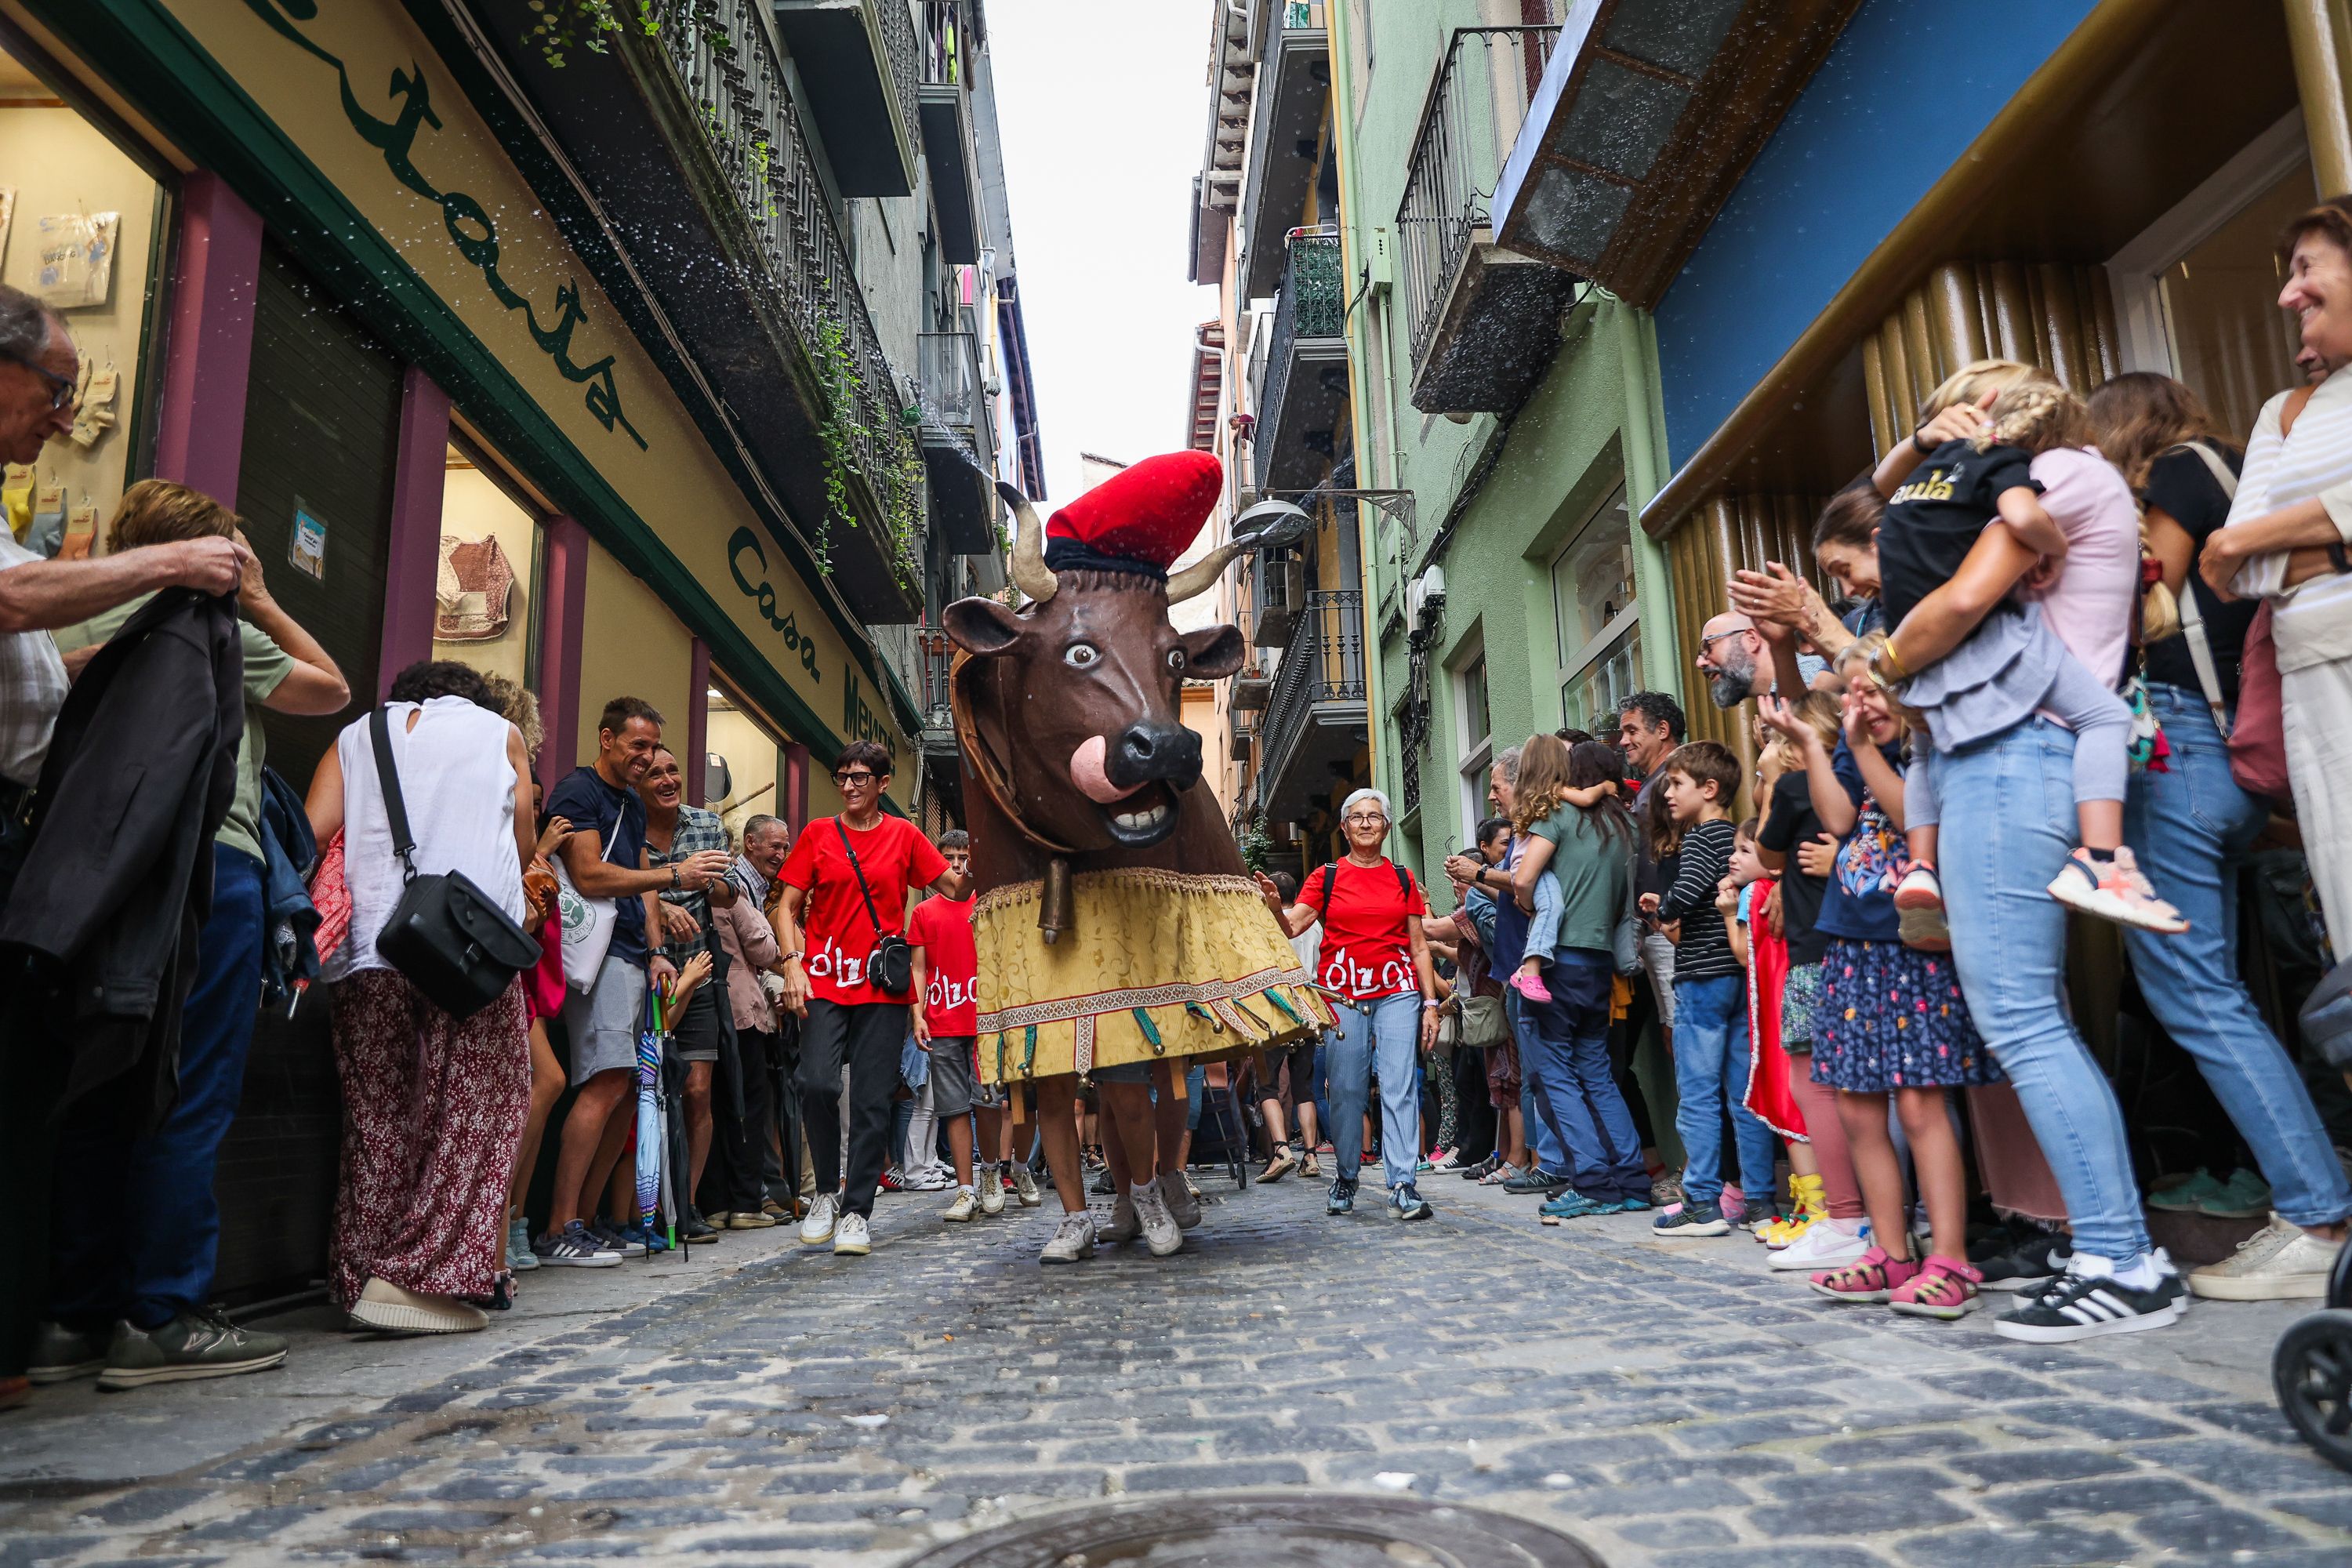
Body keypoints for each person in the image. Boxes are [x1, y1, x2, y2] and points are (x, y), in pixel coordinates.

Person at [25, 481, 346, 1392]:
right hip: (215, 866)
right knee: (190, 1089)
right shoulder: (212, 623)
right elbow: (332, 686)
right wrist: (259, 600)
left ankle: (72, 1314)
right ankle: (163, 1315)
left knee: (99, 1083)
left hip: (97, 870)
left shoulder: (73, 621)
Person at [2087, 369, 2352, 1299]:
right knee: (2235, 990)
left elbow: (2133, 586)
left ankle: (2317, 1215)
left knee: (2197, 993)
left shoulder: (2183, 471)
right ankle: (2314, 1196)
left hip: (2178, 753)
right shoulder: (2228, 467)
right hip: (2222, 760)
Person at [1762, 644, 1996, 1319]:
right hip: (1849, 942)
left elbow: (1904, 813)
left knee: (1920, 1103)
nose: (1860, 707)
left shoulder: (1924, 747)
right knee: (1859, 1106)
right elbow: (1839, 818)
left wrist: (1861, 747)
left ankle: (1949, 1257)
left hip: (1909, 942)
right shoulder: (1850, 748)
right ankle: (1890, 1251)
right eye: (1853, 697)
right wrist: (1812, 740)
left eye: (1871, 694)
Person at [303, 661, 534, 1334]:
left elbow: (316, 830)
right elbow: (521, 845)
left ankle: (361, 1279)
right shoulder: (500, 734)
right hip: (463, 950)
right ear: (474, 699)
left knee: (378, 1117)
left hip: (370, 948)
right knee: (477, 1110)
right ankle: (421, 1280)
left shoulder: (358, 735)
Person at [539, 699, 731, 1264]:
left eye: (654, 748)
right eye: (638, 747)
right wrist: (676, 873)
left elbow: (638, 883)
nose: (648, 759)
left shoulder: (626, 798)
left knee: (623, 1088)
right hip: (597, 956)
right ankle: (558, 1227)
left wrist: (654, 951)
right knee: (605, 1083)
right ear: (606, 739)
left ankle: (590, 1219)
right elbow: (591, 874)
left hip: (630, 954)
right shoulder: (579, 792)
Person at [771, 740, 967, 1258]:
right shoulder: (818, 834)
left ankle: (856, 1209)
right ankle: (825, 1196)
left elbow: (951, 886)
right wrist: (793, 965)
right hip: (825, 979)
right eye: (843, 777)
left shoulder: (904, 835)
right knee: (814, 1082)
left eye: (861, 777)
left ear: (883, 784)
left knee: (873, 1100)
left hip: (881, 985)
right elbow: (786, 907)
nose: (850, 785)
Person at [1258, 787, 1440, 1222]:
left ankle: (1403, 1183)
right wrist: (1272, 909)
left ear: (1387, 826)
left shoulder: (1403, 878)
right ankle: (1346, 1174)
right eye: (1356, 817)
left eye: (1374, 816)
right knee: (1345, 1090)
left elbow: (1419, 947)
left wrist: (1431, 1003)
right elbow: (1292, 928)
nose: (1365, 823)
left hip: (1398, 990)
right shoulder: (1327, 876)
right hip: (1342, 994)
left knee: (1399, 1085)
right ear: (1344, 827)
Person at [1508, 737, 1650, 1218]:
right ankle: (1630, 1181)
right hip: (1600, 961)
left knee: (1556, 1075)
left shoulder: (1556, 816)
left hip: (1556, 962)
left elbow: (1525, 878)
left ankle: (1591, 1182)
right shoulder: (1623, 823)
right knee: (1597, 1074)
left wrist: (1526, 903)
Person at [1642, 741, 1777, 1237]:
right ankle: (1759, 1200)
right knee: (1745, 1091)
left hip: (1702, 977)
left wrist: (1666, 906)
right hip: (1741, 976)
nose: (1668, 793)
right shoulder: (1738, 840)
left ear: (1710, 789)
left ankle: (1702, 1200)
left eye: (1677, 784)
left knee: (1697, 1093)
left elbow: (1688, 891)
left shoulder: (1702, 838)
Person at [1751, 690, 1867, 1269]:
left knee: (1812, 1085)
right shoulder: (1855, 784)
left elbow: (1768, 855)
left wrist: (1775, 776)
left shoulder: (1797, 788)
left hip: (1812, 954)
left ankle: (1845, 1217)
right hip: (1854, 948)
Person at [639, 744, 737, 1243]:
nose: (667, 779)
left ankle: (690, 1201)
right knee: (647, 1091)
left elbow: (730, 895)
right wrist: (659, 907)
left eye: (674, 768)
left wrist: (702, 885)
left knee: (697, 1091)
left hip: (697, 969)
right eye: (655, 772)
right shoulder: (628, 823)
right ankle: (645, 1207)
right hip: (644, 971)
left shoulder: (705, 825)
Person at [909, 829, 997, 1221]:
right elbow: (919, 968)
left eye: (964, 857)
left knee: (989, 1101)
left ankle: (992, 1172)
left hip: (984, 1020)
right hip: (943, 1020)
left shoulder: (986, 905)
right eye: (950, 858)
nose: (957, 865)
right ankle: (965, 1188)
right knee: (953, 1108)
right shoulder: (923, 913)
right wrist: (918, 1014)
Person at [1253, 870, 1326, 1184]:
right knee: (1304, 1086)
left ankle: (1282, 1150)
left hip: (1276, 1006)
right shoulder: (1313, 924)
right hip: (1309, 1003)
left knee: (1267, 1084)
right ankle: (1310, 1155)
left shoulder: (1265, 923)